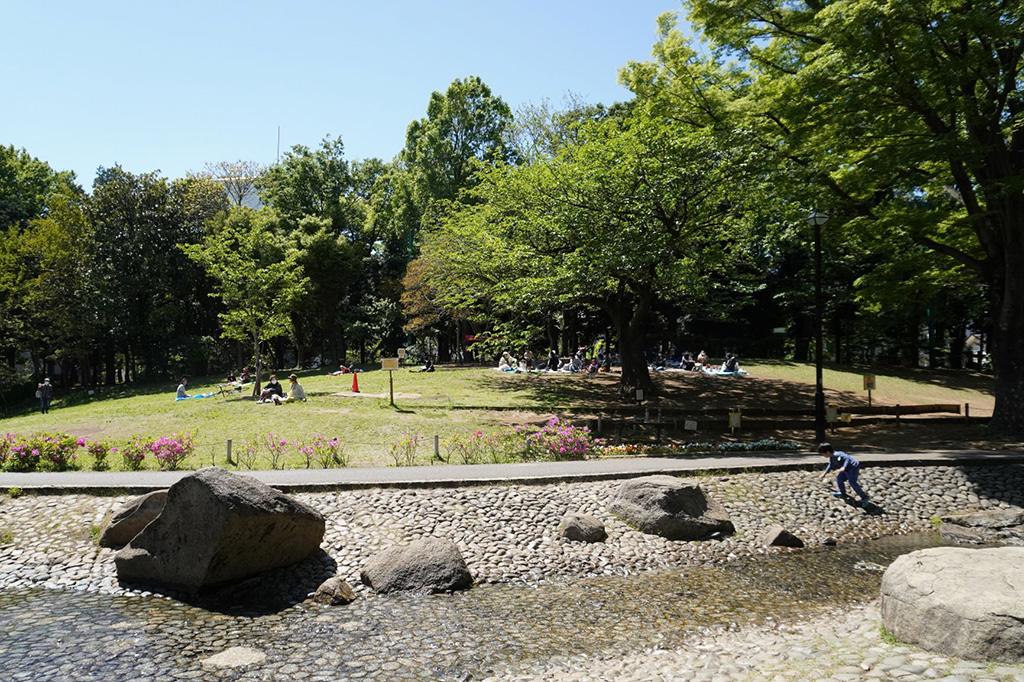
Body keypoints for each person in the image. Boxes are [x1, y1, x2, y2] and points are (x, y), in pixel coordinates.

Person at [818, 442, 869, 508]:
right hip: (845, 469)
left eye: (823, 454)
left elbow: (847, 459)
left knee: (852, 482)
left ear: (827, 452)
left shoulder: (838, 455)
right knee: (839, 479)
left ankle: (864, 497)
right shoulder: (832, 457)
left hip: (852, 468)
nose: (823, 456)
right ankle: (843, 493)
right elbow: (830, 465)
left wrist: (844, 467)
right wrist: (824, 473)